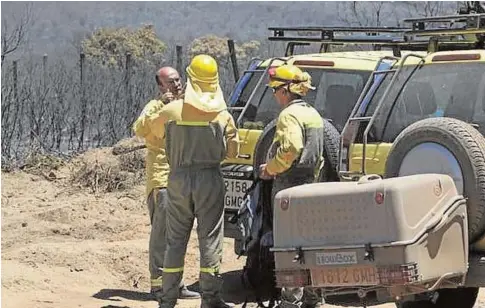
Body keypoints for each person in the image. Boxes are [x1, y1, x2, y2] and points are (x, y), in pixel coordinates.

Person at [147, 54, 239, 308]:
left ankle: (167, 299)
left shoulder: (172, 110)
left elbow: (153, 133)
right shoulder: (222, 116)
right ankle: (210, 298)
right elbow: (232, 153)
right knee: (209, 238)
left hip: (177, 179)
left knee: (175, 240)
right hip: (210, 178)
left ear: (190, 78)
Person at [259, 64, 324, 308]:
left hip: (289, 187)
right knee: (309, 245)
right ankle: (313, 299)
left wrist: (270, 169)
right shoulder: (313, 114)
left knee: (289, 246)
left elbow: (290, 149)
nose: (275, 95)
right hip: (311, 185)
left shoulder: (289, 115)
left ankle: (290, 301)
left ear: (285, 90)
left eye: (275, 90)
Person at [132, 66, 200, 301]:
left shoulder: (187, 106)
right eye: (170, 82)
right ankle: (158, 285)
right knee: (162, 234)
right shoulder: (154, 107)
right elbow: (139, 129)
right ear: (160, 86)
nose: (176, 85)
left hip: (183, 179)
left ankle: (176, 283)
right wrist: (161, 107)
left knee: (179, 235)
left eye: (178, 80)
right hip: (162, 181)